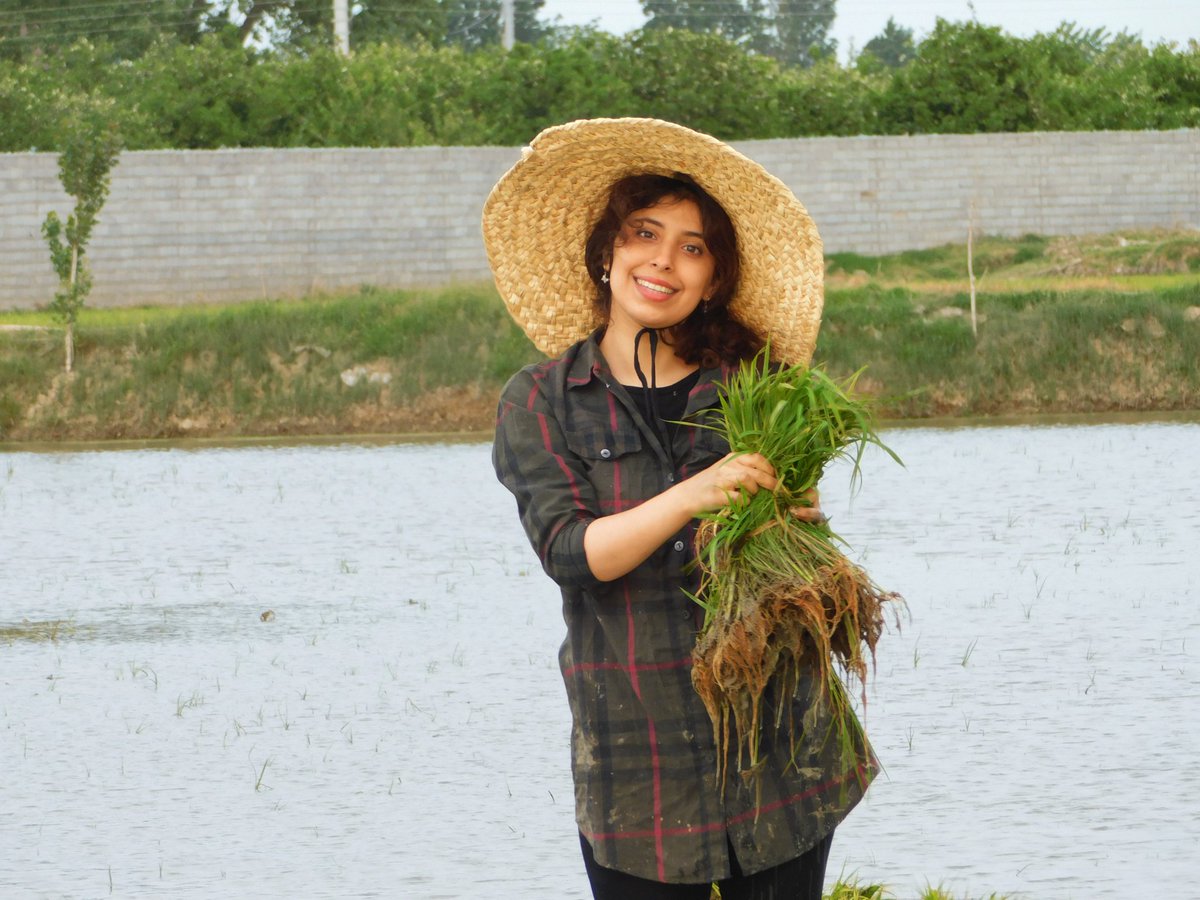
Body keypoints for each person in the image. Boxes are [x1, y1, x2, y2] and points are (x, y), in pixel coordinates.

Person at [484, 118, 874, 900]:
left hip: (780, 753)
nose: (663, 260)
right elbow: (571, 554)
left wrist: (800, 522)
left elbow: (800, 542)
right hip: (638, 764)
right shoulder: (542, 400)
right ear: (606, 254)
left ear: (713, 279)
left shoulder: (755, 388)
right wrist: (693, 495)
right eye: (644, 235)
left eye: (692, 248)